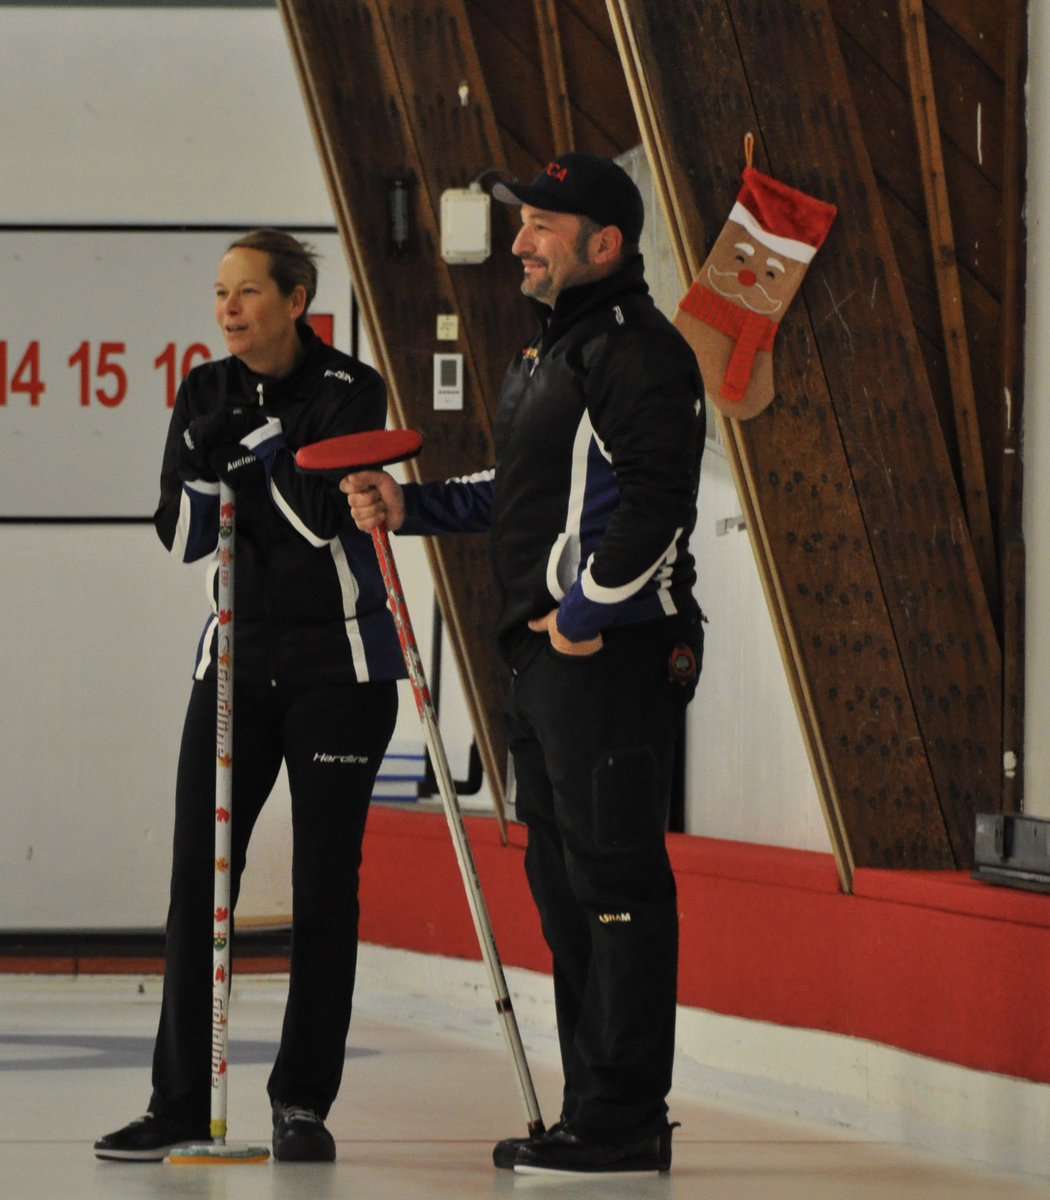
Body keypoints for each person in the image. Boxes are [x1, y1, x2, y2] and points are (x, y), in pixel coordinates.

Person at [342, 153, 706, 1175]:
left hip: (611, 655)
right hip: (549, 660)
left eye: (542, 225)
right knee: (565, 889)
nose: (520, 242)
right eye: (521, 224)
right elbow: (523, 487)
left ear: (606, 243)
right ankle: (593, 1104)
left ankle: (627, 1113)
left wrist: (586, 613)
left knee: (617, 883)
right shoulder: (552, 353)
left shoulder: (640, 352)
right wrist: (413, 506)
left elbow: (655, 503)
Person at [94, 230, 405, 1164]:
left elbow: (320, 525)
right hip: (234, 668)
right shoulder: (203, 391)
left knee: (323, 889)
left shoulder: (351, 390)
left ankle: (302, 1103)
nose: (229, 309)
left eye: (248, 292)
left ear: (297, 298)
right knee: (202, 882)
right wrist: (200, 465)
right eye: (220, 293)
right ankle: (181, 1100)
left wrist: (265, 449)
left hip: (339, 670)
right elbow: (182, 532)